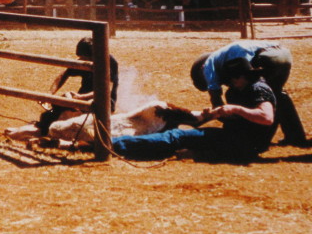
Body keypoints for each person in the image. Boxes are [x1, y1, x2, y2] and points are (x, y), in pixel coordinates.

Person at [112, 57, 278, 162]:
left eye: (232, 79)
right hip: (240, 140)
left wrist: (235, 109)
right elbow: (243, 119)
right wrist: (215, 114)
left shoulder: (258, 89)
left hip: (243, 143)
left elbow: (266, 117)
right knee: (182, 135)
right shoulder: (243, 89)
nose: (230, 83)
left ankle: (114, 144)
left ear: (241, 76)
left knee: (176, 136)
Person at [190, 40, 307, 146]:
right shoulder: (222, 56)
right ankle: (295, 137)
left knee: (244, 95)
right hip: (283, 54)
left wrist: (222, 116)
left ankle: (254, 139)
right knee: (277, 95)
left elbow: (216, 100)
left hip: (265, 59)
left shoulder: (208, 68)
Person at [36, 37, 119, 135]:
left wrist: (81, 97)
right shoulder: (85, 62)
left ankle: (46, 131)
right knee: (52, 110)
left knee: (64, 107)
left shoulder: (109, 62)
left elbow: (106, 89)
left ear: (92, 55)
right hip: (82, 97)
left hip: (103, 100)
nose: (81, 60)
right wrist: (50, 94)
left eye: (84, 57)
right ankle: (44, 129)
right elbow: (64, 74)